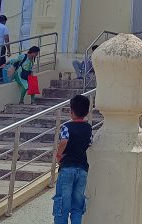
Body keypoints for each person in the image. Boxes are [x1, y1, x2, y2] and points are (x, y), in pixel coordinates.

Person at [53, 94, 92, 224]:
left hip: (67, 168)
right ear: (86, 112)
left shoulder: (66, 127)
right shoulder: (88, 128)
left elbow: (64, 141)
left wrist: (59, 155)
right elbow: (90, 143)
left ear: (71, 111)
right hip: (82, 169)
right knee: (77, 206)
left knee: (62, 205)